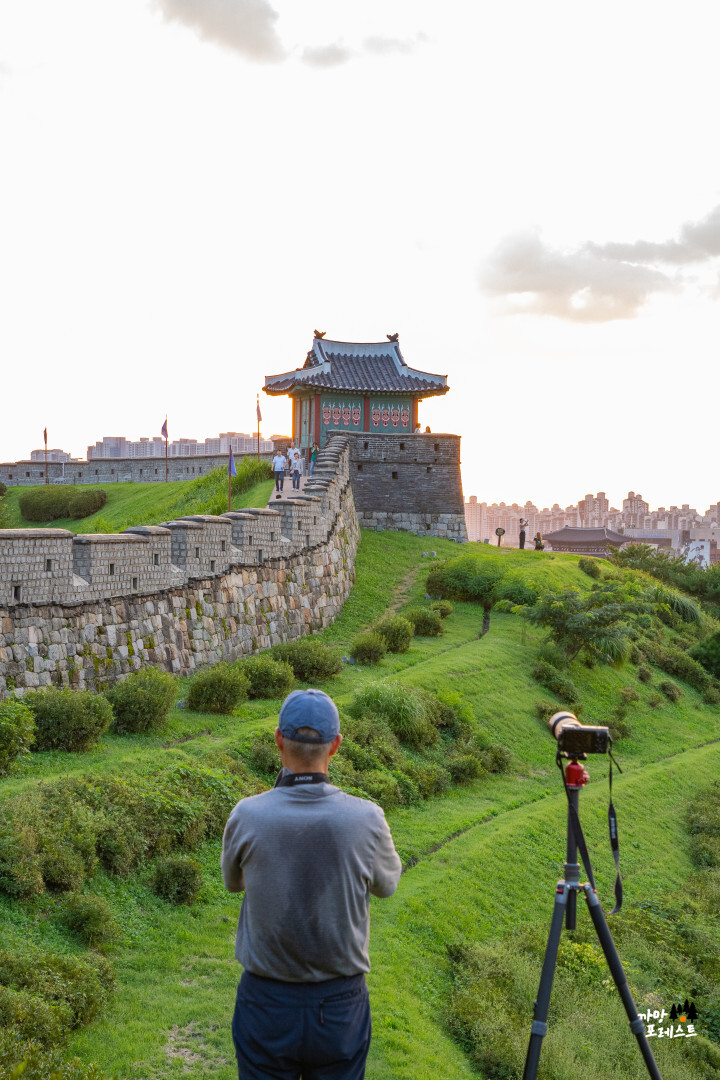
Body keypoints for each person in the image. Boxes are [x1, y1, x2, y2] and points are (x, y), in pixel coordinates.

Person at [222, 689, 402, 1080]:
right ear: (335, 745)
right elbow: (387, 885)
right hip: (339, 1006)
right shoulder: (367, 818)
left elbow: (232, 883)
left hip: (265, 1002)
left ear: (278, 740)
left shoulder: (247, 815)